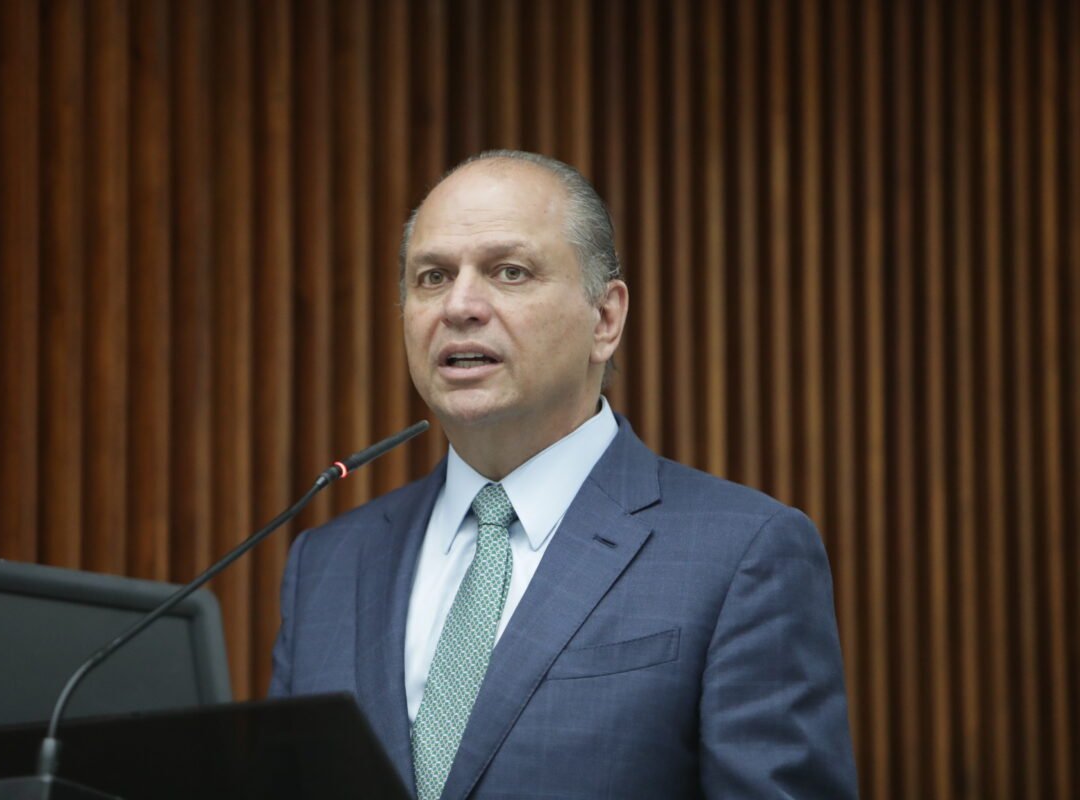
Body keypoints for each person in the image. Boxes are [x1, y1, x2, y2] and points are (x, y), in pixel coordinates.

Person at [269, 150, 858, 799]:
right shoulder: (326, 564)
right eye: (432, 277)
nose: (459, 305)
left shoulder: (742, 553)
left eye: (510, 272)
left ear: (605, 318)